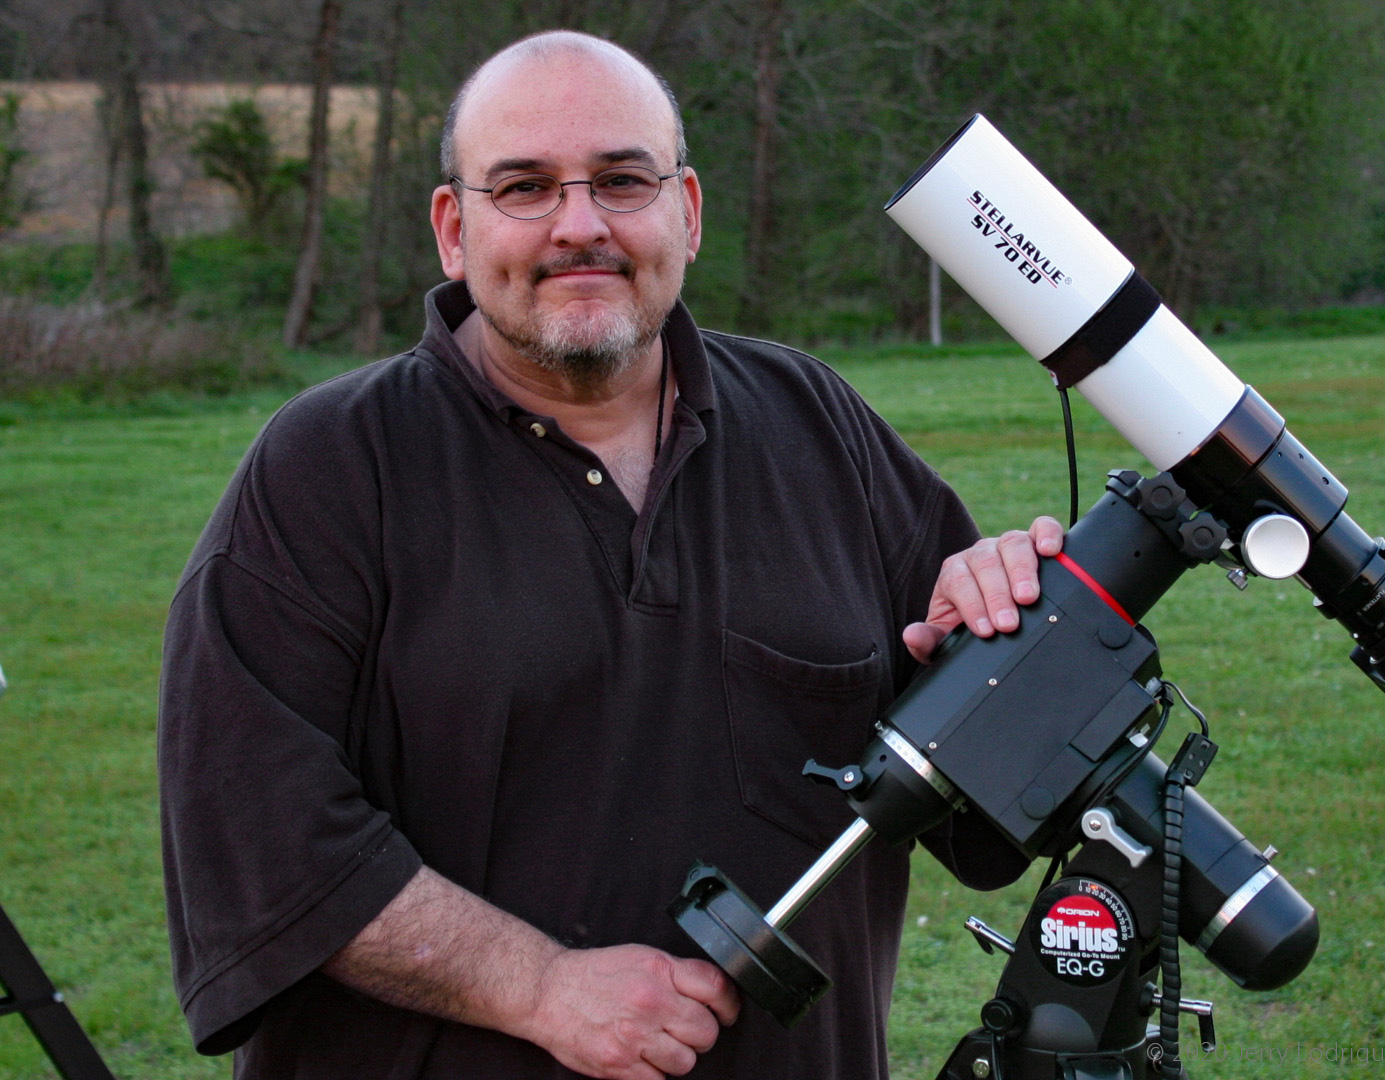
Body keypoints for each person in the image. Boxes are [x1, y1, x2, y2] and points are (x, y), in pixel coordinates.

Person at [159, 30, 1063, 1080]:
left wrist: (1015, 615)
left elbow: (994, 796)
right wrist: (538, 985)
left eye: (622, 181)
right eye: (525, 188)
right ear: (455, 229)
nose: (579, 225)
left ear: (688, 212)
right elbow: (258, 839)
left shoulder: (819, 427)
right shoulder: (325, 470)